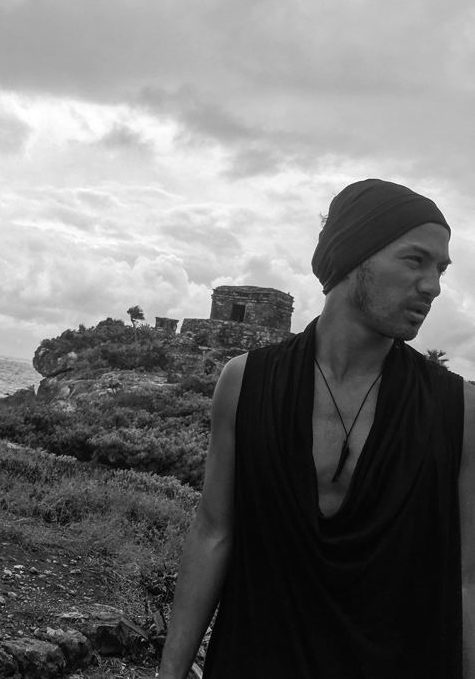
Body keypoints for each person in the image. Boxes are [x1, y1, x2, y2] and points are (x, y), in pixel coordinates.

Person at [158, 178, 475, 679]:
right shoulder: (245, 383)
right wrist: (171, 672)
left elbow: (467, 579)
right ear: (352, 257)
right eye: (415, 260)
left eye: (440, 269)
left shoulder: (459, 407)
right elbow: (214, 531)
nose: (433, 286)